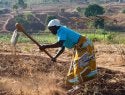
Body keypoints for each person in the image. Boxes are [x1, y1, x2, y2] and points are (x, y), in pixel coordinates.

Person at [39, 19, 97, 93]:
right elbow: (62, 48)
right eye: (50, 29)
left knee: (79, 64)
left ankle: (80, 86)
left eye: (51, 29)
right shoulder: (60, 32)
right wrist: (55, 57)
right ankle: (76, 86)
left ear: (56, 27)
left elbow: (60, 44)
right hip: (79, 47)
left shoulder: (62, 30)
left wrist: (45, 46)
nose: (51, 31)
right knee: (73, 66)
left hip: (85, 45)